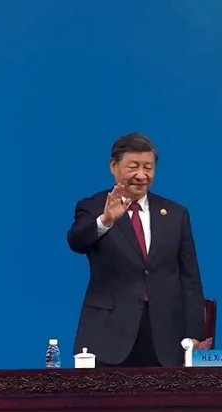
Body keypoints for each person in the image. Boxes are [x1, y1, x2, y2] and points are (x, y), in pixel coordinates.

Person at [67, 133, 207, 367]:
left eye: (148, 168)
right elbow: (76, 241)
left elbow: (189, 277)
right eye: (133, 167)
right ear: (113, 166)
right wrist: (106, 220)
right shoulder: (93, 206)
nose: (141, 176)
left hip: (165, 337)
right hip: (107, 335)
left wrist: (194, 334)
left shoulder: (175, 214)